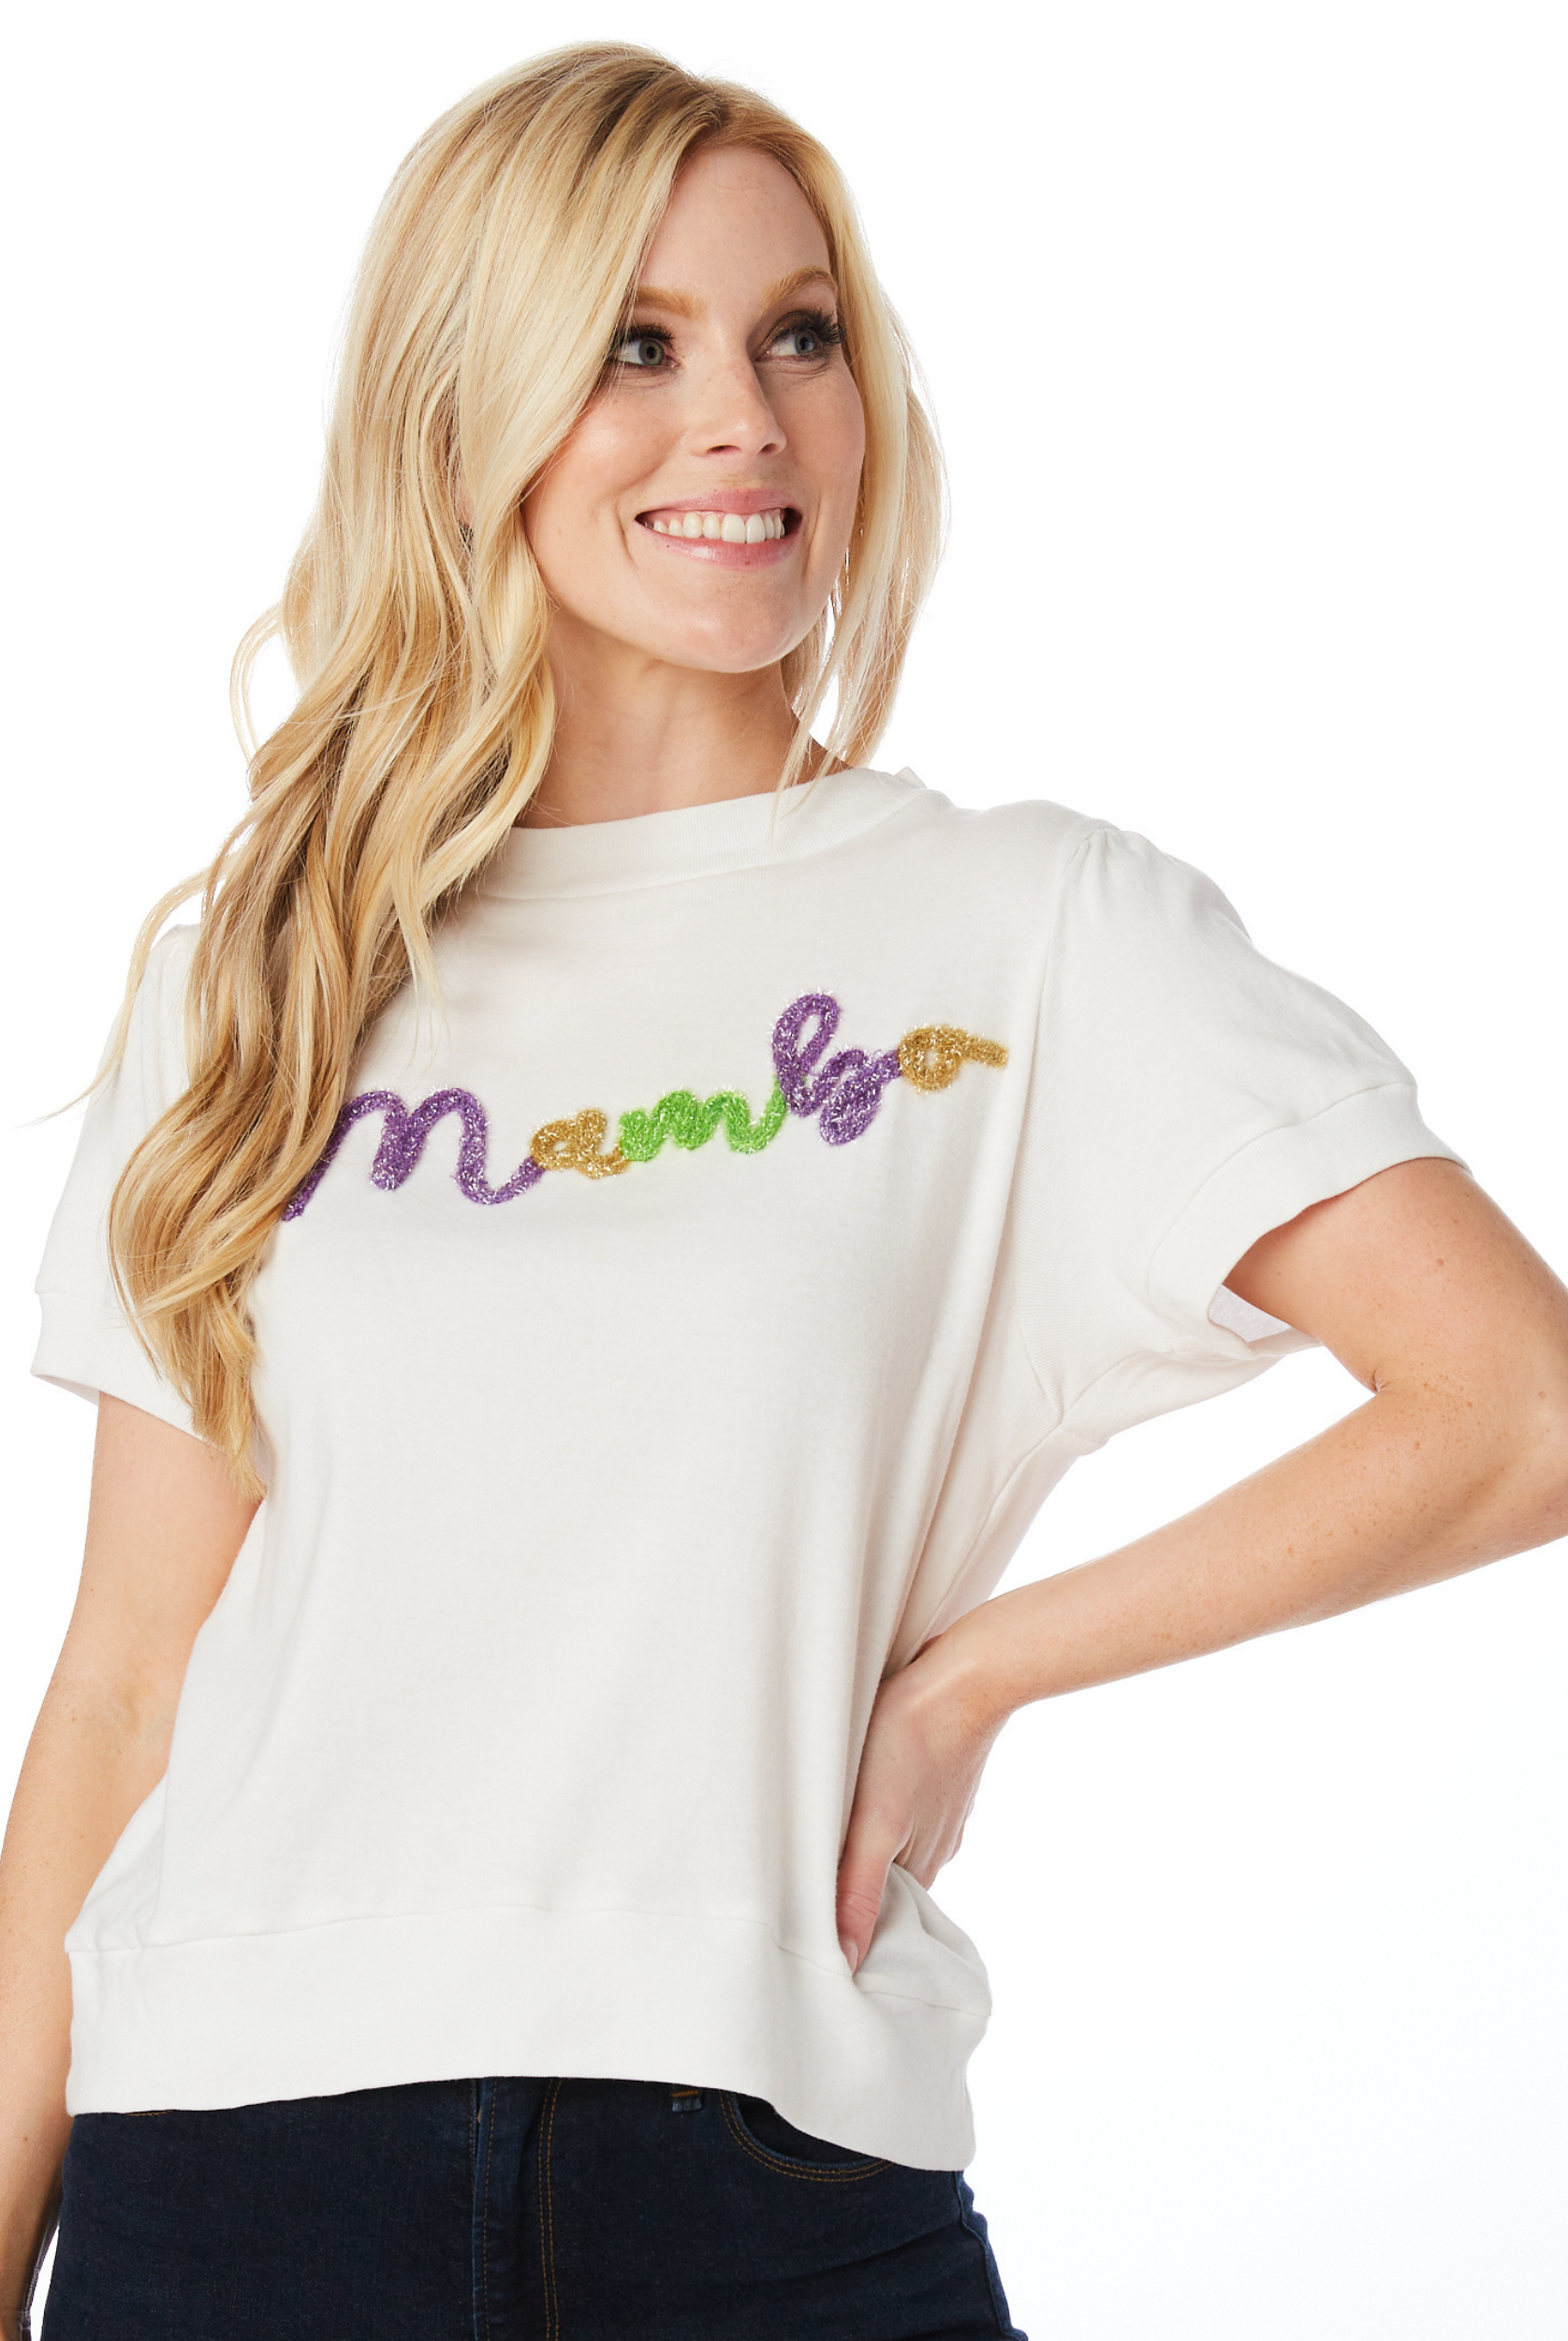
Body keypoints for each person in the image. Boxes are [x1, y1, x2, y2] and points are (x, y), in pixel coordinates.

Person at [4, 37, 1566, 2341]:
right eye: (636, 344)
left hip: (758, 2182)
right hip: (228, 2175)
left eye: (796, 335)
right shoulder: (276, 969)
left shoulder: (1031, 930)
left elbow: (1517, 1403)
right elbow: (123, 1689)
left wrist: (977, 1676)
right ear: (466, 400)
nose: (740, 417)